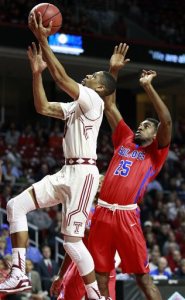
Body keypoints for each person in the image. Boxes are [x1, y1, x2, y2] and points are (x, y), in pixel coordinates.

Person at [0, 11, 116, 300]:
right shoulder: (77, 106)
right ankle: (19, 273)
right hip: (66, 171)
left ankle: (95, 296)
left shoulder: (93, 99)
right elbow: (42, 107)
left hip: (83, 174)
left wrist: (44, 40)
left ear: (100, 87)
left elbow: (62, 78)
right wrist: (37, 74)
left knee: (73, 242)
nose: (87, 76)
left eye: (92, 76)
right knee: (15, 205)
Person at [88, 43, 172, 299]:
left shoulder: (156, 154)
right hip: (102, 212)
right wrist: (112, 70)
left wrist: (148, 87)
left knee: (143, 279)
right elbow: (109, 105)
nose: (140, 127)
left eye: (146, 126)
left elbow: (166, 120)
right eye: (141, 124)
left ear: (155, 135)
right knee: (101, 276)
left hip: (127, 217)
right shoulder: (124, 137)